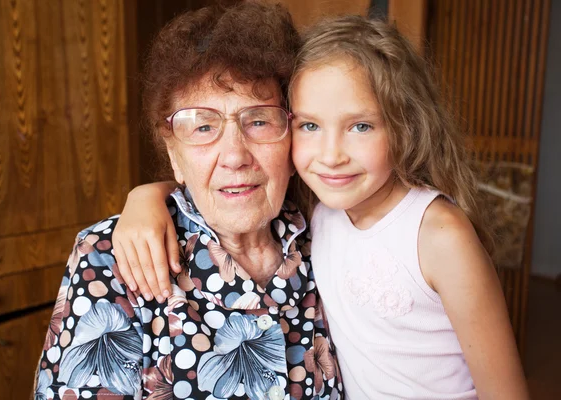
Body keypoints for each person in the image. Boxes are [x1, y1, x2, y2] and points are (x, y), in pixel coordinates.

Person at [112, 14, 530, 400]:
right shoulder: (319, 210)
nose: (331, 156)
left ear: (406, 126)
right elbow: (224, 183)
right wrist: (147, 197)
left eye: (360, 126)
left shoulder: (439, 235)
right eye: (310, 126)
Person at [33, 2, 343, 399]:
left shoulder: (329, 244)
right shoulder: (111, 259)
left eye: (260, 120)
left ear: (294, 138)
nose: (234, 155)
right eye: (202, 126)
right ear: (174, 154)